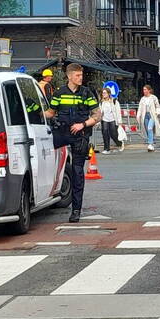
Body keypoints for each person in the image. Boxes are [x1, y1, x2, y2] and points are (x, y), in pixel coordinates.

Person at [47, 64, 101, 222]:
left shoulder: (86, 93)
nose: (80, 78)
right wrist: (33, 112)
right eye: (77, 75)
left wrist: (83, 124)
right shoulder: (59, 93)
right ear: (69, 76)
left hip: (80, 136)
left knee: (78, 173)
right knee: (50, 164)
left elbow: (97, 115)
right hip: (62, 134)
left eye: (81, 75)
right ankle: (50, 194)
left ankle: (76, 210)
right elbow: (50, 113)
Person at [136, 85, 160, 152]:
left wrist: (157, 113)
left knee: (150, 128)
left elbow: (157, 106)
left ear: (149, 90)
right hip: (145, 115)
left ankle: (150, 144)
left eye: (145, 89)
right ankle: (151, 143)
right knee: (147, 129)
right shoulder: (142, 99)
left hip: (152, 115)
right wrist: (138, 115)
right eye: (143, 89)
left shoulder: (153, 98)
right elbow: (140, 108)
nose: (144, 91)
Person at [98, 87, 124, 154]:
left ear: (108, 93)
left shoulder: (114, 101)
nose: (103, 94)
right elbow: (100, 112)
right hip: (105, 120)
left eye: (104, 93)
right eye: (102, 93)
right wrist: (98, 120)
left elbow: (118, 112)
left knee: (114, 134)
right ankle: (106, 148)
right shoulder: (101, 102)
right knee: (105, 134)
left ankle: (120, 143)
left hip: (113, 119)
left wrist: (120, 122)